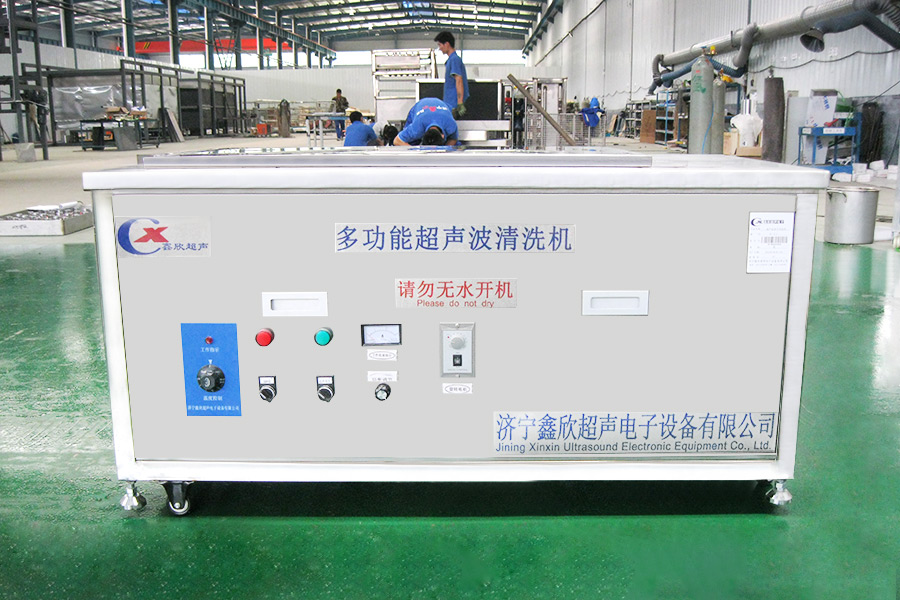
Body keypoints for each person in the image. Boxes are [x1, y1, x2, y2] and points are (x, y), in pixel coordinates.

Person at [434, 31, 469, 120]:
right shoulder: (451, 60)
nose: (440, 48)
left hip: (453, 105)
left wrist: (460, 102)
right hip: (450, 104)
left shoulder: (454, 60)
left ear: (447, 44)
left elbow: (459, 80)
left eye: (440, 45)